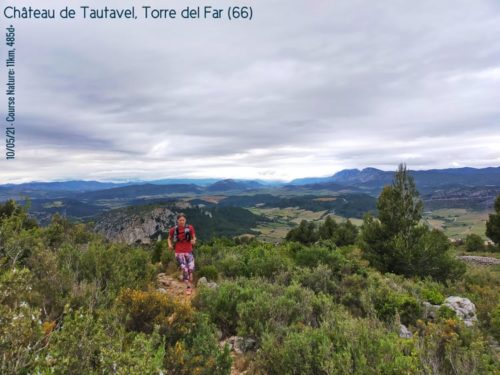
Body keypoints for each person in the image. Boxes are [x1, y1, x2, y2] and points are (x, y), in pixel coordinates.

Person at [168, 213, 197, 295]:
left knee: (191, 267)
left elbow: (194, 237)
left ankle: (190, 274)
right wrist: (170, 245)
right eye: (180, 220)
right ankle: (188, 287)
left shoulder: (190, 228)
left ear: (185, 220)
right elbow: (169, 238)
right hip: (179, 253)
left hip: (188, 251)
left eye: (183, 220)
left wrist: (194, 240)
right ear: (177, 221)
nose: (181, 221)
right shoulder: (173, 230)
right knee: (185, 269)